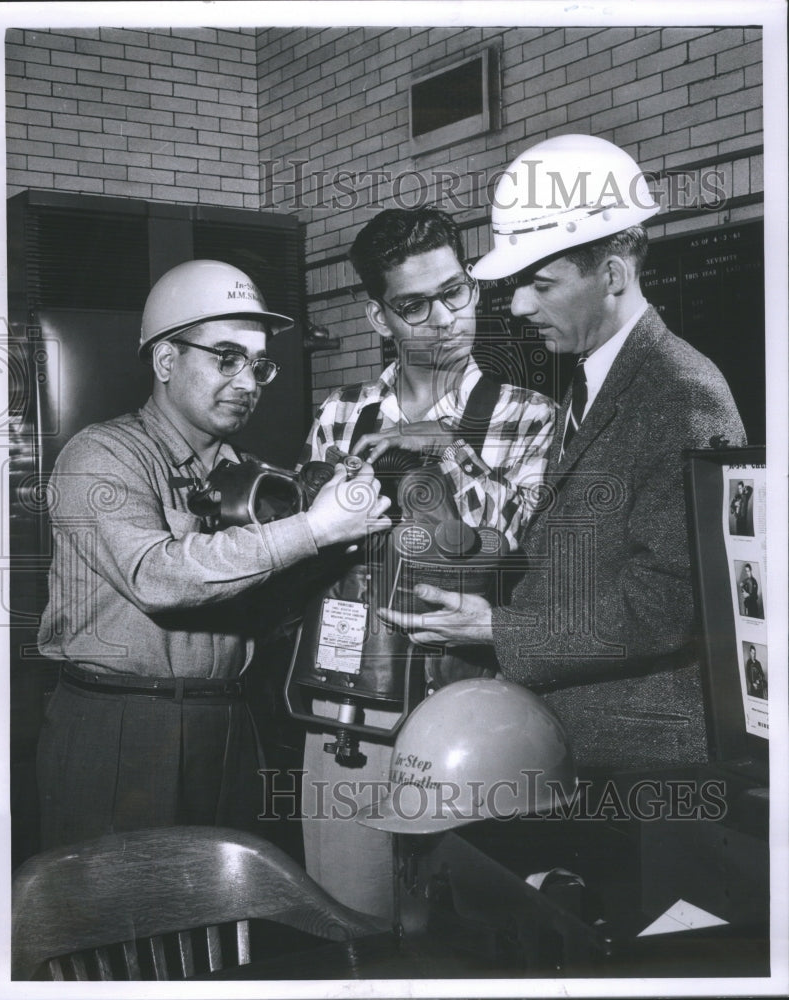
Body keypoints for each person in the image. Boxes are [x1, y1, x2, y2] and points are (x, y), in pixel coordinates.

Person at [380, 135, 747, 773]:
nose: (520, 306)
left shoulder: (681, 395)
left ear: (611, 275)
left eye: (541, 284)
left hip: (639, 762)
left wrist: (499, 630)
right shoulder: (587, 379)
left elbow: (669, 605)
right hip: (563, 739)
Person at [36, 259, 389, 851]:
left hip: (227, 720)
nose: (248, 382)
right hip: (121, 724)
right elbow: (158, 576)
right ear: (166, 360)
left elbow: (264, 609)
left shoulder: (246, 474)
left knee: (229, 917)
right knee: (122, 925)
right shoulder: (100, 457)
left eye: (258, 364)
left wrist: (341, 541)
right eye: (226, 358)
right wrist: (313, 528)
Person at [297, 207, 555, 917]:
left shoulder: (527, 415)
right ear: (378, 316)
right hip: (348, 708)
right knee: (346, 917)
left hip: (470, 713)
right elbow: (299, 557)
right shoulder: (339, 414)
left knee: (460, 926)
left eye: (455, 292)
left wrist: (444, 451)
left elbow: (520, 548)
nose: (442, 318)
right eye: (414, 305)